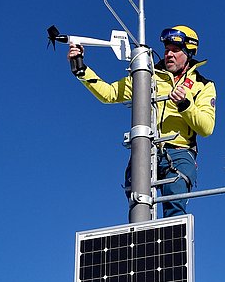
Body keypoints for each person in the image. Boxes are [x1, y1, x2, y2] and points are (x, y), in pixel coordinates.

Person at [68, 25, 216, 217]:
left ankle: (171, 247)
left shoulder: (203, 85)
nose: (169, 54)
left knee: (174, 207)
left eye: (175, 50)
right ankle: (141, 245)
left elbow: (206, 127)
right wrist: (80, 68)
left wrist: (185, 104)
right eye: (166, 50)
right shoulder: (146, 75)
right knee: (137, 205)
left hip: (179, 153)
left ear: (189, 51)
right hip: (145, 149)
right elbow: (109, 94)